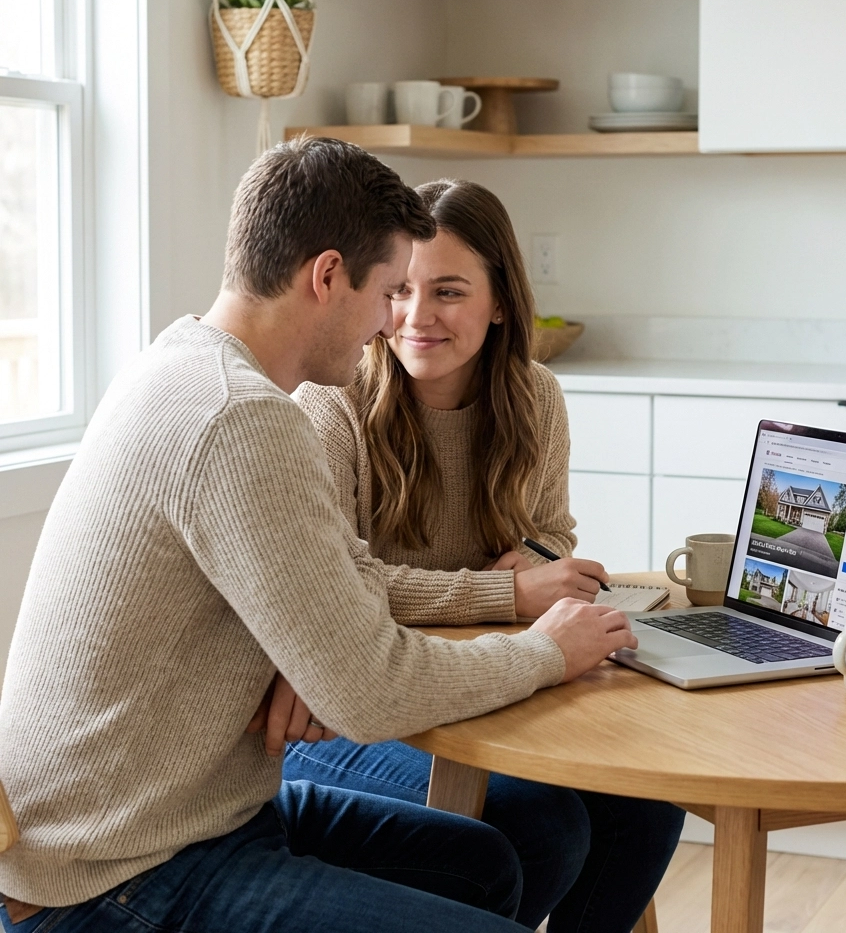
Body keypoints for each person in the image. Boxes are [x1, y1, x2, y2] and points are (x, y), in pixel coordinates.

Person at [0, 139, 638, 933]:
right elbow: (368, 689)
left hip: (205, 813)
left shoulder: (187, 362)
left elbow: (351, 591)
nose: (389, 322)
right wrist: (548, 651)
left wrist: (330, 639)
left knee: (490, 865)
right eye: (384, 291)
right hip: (117, 872)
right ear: (327, 276)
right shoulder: (240, 418)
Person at [283, 178, 686, 933]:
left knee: (648, 810)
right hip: (344, 710)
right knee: (542, 824)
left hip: (485, 680)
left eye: (448, 292)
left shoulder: (534, 396)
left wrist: (530, 566)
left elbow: (550, 532)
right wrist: (502, 593)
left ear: (500, 301)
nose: (415, 317)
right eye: (398, 290)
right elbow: (339, 589)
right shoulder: (331, 406)